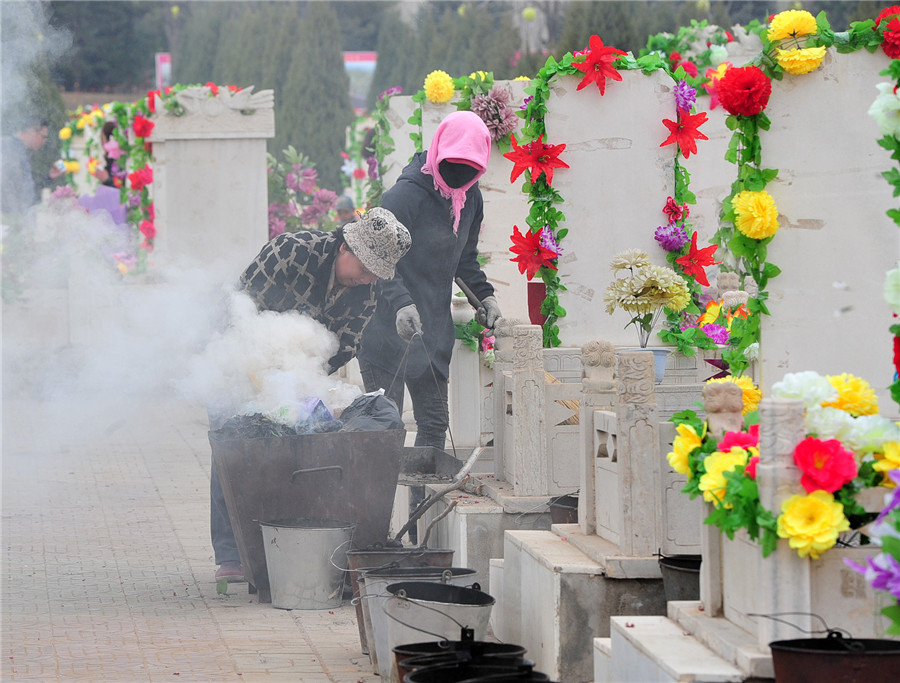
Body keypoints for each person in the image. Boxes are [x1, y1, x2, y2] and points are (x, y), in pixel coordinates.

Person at [210, 206, 412, 582]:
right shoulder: (291, 251)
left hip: (294, 378)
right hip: (236, 360)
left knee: (290, 449)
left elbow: (344, 346)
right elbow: (238, 308)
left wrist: (304, 380)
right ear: (345, 248)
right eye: (365, 268)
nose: (369, 280)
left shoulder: (364, 294)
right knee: (234, 445)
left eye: (376, 274)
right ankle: (230, 556)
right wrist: (256, 369)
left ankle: (274, 550)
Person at [357, 111, 502, 451]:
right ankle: (382, 504)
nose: (459, 175)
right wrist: (402, 304)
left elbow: (463, 260)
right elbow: (376, 260)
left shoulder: (469, 199)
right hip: (384, 327)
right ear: (439, 152)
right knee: (385, 428)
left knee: (435, 425)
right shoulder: (404, 196)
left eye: (470, 168)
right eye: (454, 164)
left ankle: (421, 506)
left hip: (432, 332)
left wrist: (486, 298)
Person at [1, 116, 64, 217]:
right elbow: (7, 187)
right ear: (32, 132)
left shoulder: (22, 151)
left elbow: (27, 188)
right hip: (10, 220)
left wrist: (49, 177)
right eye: (43, 137)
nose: (44, 142)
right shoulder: (6, 146)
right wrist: (14, 216)